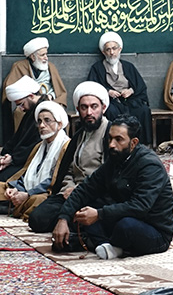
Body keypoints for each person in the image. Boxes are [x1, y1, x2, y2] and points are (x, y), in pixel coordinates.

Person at [52, 115, 173, 259]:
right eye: (110, 138)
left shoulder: (150, 165)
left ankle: (101, 243)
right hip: (120, 217)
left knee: (125, 226)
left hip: (153, 231)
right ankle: (106, 244)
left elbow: (140, 206)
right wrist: (63, 218)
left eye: (118, 139)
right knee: (84, 211)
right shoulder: (116, 159)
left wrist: (99, 214)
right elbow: (86, 188)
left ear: (133, 142)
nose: (111, 144)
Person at [28, 82, 111, 233]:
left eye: (94, 107)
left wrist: (79, 191)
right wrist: (69, 187)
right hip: (71, 193)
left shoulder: (110, 135)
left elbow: (108, 176)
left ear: (103, 108)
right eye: (84, 108)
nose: (89, 112)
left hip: (96, 195)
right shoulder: (79, 135)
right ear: (78, 110)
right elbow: (68, 170)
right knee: (37, 219)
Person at [0, 101, 71, 219]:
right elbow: (28, 172)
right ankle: (16, 205)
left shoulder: (66, 147)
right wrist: (16, 188)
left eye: (47, 121)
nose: (42, 125)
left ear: (60, 124)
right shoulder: (39, 146)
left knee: (38, 200)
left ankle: (15, 206)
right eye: (39, 121)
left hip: (47, 192)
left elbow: (54, 180)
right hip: (29, 189)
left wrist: (28, 194)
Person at [0, 76, 43, 194]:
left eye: (21, 104)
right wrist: (7, 156)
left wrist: (13, 159)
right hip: (17, 158)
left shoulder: (44, 113)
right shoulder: (31, 111)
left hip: (29, 161)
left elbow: (37, 146)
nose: (21, 109)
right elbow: (17, 138)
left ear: (31, 96)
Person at [86, 31, 152, 145]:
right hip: (111, 101)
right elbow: (92, 87)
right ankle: (115, 143)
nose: (112, 52)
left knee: (143, 110)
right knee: (110, 111)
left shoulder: (128, 66)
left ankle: (141, 144)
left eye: (114, 48)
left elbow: (140, 86)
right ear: (103, 52)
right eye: (108, 49)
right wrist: (107, 92)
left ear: (119, 49)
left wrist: (130, 91)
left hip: (129, 101)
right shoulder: (97, 68)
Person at [2, 36, 67, 131]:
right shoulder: (19, 67)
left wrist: (50, 96)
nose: (46, 58)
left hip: (50, 101)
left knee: (57, 112)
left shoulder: (51, 67)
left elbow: (60, 91)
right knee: (20, 113)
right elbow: (10, 91)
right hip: (30, 103)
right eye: (42, 55)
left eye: (46, 54)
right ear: (33, 57)